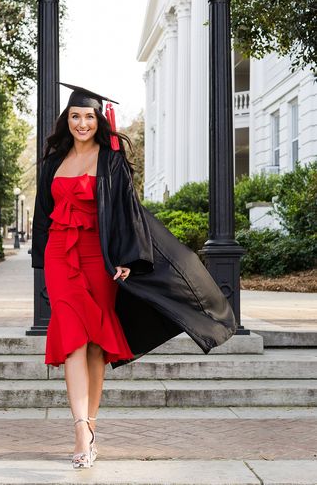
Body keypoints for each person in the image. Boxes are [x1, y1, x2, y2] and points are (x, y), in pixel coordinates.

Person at [31, 83, 237, 469]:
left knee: (95, 345)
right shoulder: (53, 161)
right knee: (73, 339)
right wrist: (40, 261)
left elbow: (129, 211)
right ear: (67, 120)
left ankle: (90, 425)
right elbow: (43, 214)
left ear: (98, 121)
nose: (81, 123)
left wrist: (130, 257)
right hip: (61, 255)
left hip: (99, 257)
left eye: (89, 117)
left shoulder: (111, 161)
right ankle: (79, 430)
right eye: (75, 116)